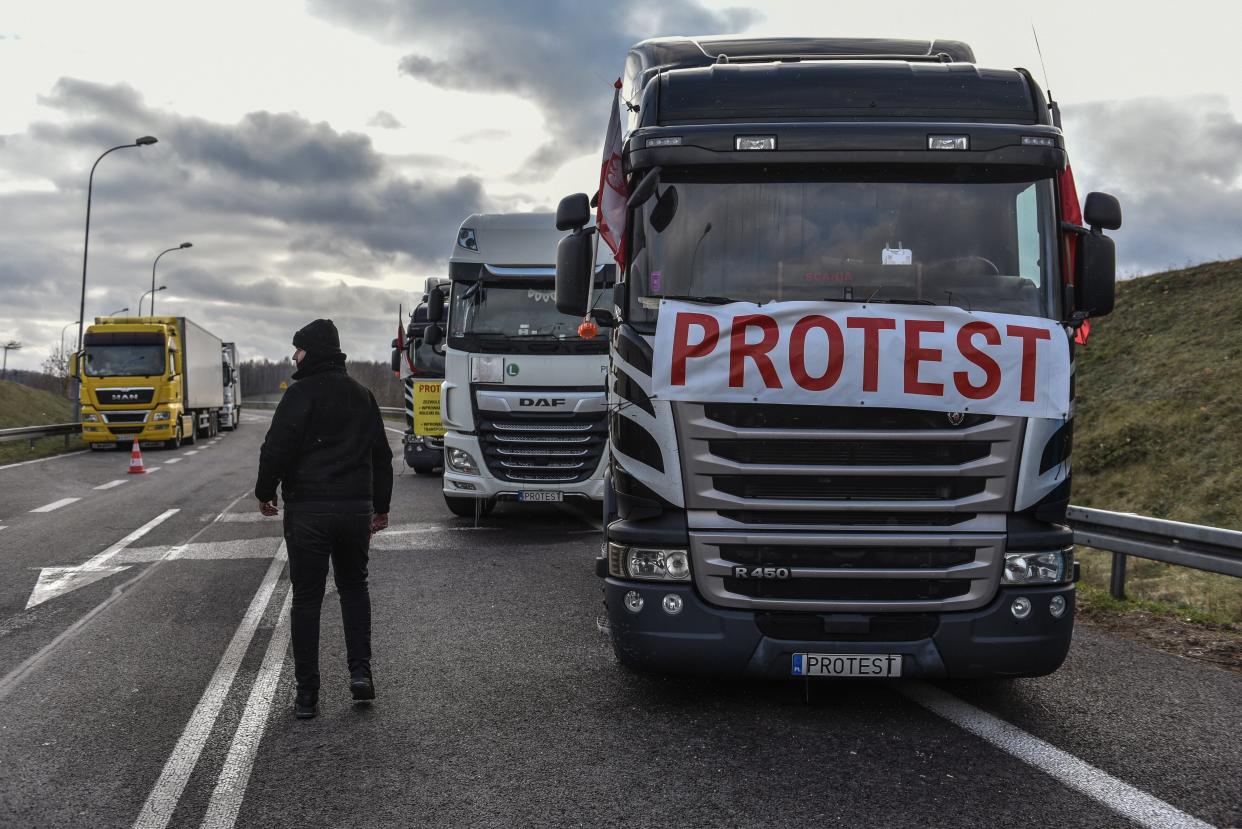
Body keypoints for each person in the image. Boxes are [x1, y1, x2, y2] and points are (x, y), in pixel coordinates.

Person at [255, 319, 393, 719]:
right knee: (354, 588)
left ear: (312, 351)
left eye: (298, 349)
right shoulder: (362, 395)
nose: (294, 356)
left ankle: (307, 695)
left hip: (309, 513)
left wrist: (266, 491)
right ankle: (360, 675)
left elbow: (275, 448)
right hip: (353, 511)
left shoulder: (299, 395)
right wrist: (380, 506)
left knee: (307, 599)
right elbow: (381, 456)